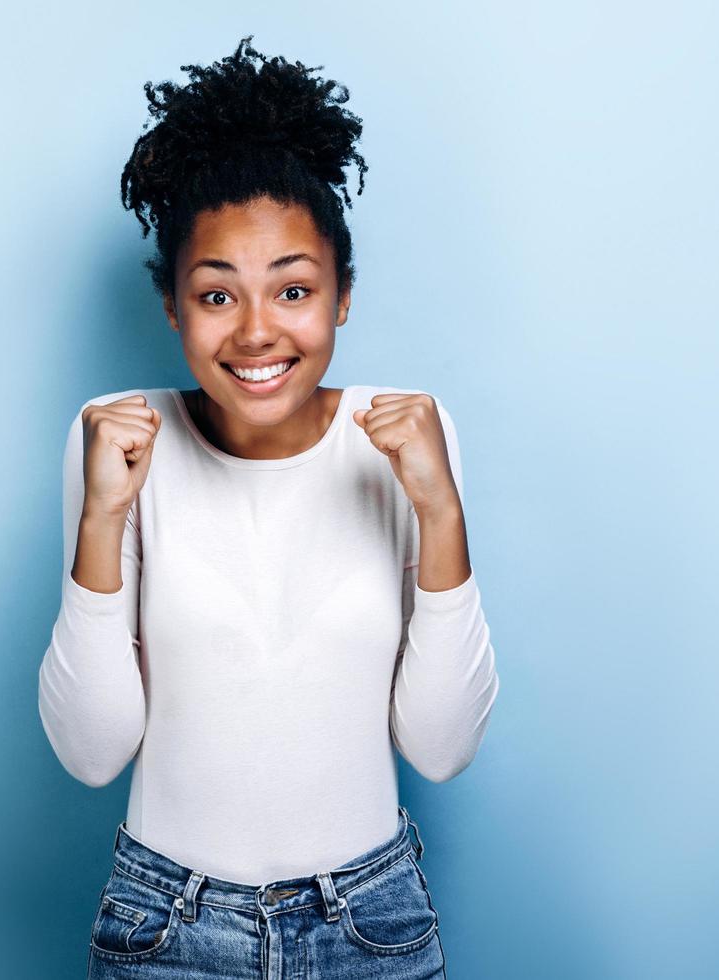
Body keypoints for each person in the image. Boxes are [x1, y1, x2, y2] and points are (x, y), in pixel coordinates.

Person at [38, 35, 500, 979]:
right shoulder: (114, 439)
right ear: (172, 305)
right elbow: (92, 754)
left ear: (341, 298)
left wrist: (440, 517)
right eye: (216, 294)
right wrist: (102, 523)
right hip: (166, 925)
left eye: (293, 288)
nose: (256, 331)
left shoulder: (410, 435)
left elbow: (440, 748)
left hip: (371, 920)